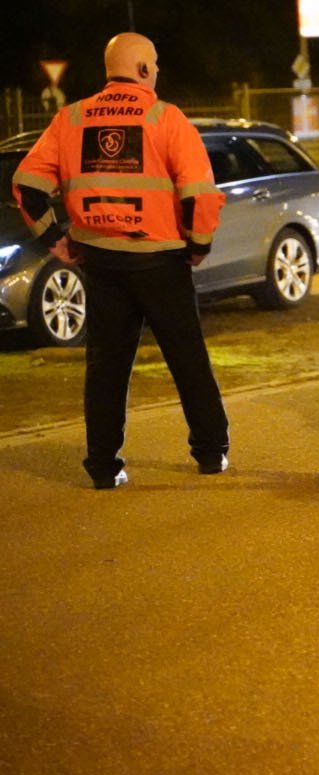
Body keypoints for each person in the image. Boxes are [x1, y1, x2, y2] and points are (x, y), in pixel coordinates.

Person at [11, 33, 230, 488]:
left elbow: (26, 185)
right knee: (187, 359)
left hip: (101, 261)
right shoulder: (165, 117)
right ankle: (211, 454)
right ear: (146, 70)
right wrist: (197, 247)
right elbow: (200, 195)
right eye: (154, 66)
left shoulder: (71, 117)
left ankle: (104, 467)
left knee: (106, 366)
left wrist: (57, 241)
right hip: (161, 260)